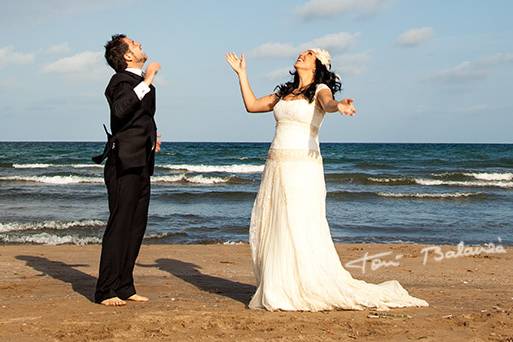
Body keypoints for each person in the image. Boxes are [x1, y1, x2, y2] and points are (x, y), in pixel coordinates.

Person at [225, 49, 429, 311]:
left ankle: (301, 285)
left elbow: (328, 103)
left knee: (297, 223)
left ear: (317, 64)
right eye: (301, 53)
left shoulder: (320, 89)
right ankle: (279, 285)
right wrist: (242, 75)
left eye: (308, 54)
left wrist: (339, 106)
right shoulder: (284, 92)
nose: (301, 55)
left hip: (302, 167)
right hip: (276, 166)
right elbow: (252, 105)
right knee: (275, 221)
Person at [93, 34, 160, 306]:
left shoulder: (140, 84)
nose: (139, 43)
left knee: (136, 226)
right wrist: (147, 81)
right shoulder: (120, 82)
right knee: (120, 225)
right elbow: (121, 111)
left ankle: (125, 286)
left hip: (142, 162)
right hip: (123, 162)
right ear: (127, 56)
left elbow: (140, 118)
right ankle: (105, 290)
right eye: (133, 43)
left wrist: (152, 135)